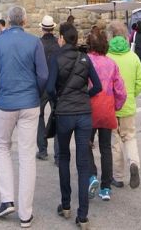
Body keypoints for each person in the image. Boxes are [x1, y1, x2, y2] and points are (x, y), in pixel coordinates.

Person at [0, 6, 48, 228]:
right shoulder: (34, 42)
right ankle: (25, 213)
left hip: (6, 102)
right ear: (24, 20)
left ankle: (6, 199)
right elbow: (43, 74)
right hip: (30, 102)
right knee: (26, 155)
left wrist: (0, 92)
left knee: (2, 147)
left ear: (9, 21)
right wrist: (35, 94)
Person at [46, 22, 102, 229]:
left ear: (61, 38)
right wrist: (84, 96)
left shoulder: (56, 58)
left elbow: (50, 87)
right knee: (83, 161)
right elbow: (97, 85)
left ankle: (67, 204)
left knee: (63, 157)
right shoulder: (84, 58)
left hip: (65, 114)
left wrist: (59, 99)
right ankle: (83, 215)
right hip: (84, 114)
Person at [86, 30, 126, 202]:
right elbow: (121, 91)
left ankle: (92, 175)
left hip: (88, 109)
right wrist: (115, 107)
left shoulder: (85, 62)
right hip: (107, 109)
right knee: (105, 148)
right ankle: (106, 187)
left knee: (86, 145)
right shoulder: (112, 63)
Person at [107, 25, 141, 190]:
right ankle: (134, 163)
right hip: (128, 104)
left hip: (111, 106)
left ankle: (118, 176)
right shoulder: (133, 57)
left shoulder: (107, 57)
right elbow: (140, 83)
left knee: (114, 142)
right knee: (130, 137)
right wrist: (131, 95)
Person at [36, 15, 61, 162]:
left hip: (42, 84)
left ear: (42, 28)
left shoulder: (38, 44)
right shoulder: (59, 43)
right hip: (56, 83)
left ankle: (43, 149)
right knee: (57, 115)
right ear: (53, 28)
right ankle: (58, 155)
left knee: (39, 115)